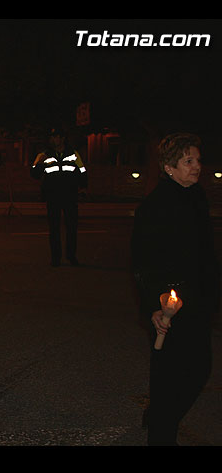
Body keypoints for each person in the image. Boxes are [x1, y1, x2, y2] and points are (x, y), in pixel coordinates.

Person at [131, 132, 219, 446]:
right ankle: (161, 433)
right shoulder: (156, 206)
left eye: (198, 160)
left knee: (199, 370)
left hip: (198, 302)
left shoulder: (195, 196)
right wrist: (155, 304)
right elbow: (143, 262)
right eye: (188, 161)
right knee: (170, 378)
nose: (197, 167)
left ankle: (159, 417)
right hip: (171, 305)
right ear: (169, 167)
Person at [31, 128, 87, 266]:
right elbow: (34, 175)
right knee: (54, 229)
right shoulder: (45, 155)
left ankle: (71, 256)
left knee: (71, 228)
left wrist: (84, 188)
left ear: (62, 138)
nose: (53, 140)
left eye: (56, 137)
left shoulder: (73, 154)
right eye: (52, 137)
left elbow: (82, 171)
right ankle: (56, 258)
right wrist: (38, 163)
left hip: (70, 196)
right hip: (53, 197)